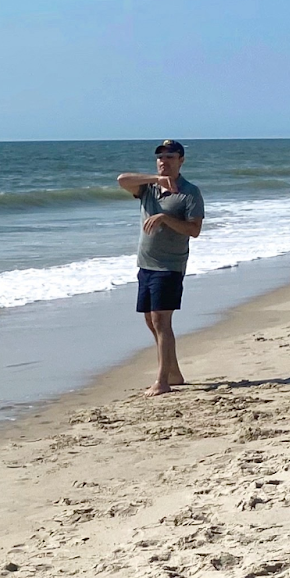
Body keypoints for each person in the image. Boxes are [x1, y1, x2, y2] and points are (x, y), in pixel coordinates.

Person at [116, 140, 204, 397]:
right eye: (160, 157)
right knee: (151, 320)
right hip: (146, 264)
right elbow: (122, 179)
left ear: (181, 160)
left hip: (170, 265)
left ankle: (162, 380)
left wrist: (165, 218)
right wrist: (156, 179)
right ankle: (174, 372)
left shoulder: (190, 193)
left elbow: (194, 230)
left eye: (170, 157)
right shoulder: (148, 188)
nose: (164, 161)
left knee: (161, 320)